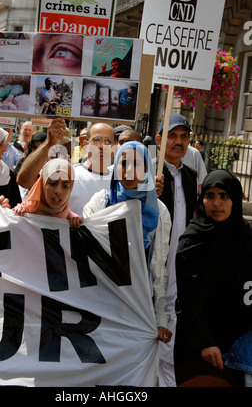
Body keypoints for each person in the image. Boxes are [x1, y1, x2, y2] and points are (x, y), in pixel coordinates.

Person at [83, 141, 172, 342]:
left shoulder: (159, 211)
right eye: (124, 163)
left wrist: (160, 318)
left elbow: (158, 267)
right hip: (102, 302)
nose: (129, 170)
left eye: (137, 164)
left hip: (139, 306)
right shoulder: (100, 202)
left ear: (147, 168)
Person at [174, 169, 252, 387]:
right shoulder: (191, 243)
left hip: (241, 347)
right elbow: (187, 302)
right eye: (210, 196)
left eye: (224, 196)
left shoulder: (246, 237)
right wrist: (205, 342)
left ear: (235, 199)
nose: (217, 203)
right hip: (203, 349)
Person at [154, 113, 198, 387]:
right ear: (159, 140)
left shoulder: (192, 176)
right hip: (154, 264)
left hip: (181, 265)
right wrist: (148, 191)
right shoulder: (148, 175)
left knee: (170, 325)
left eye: (183, 137)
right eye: (172, 136)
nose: (178, 142)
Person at [17, 121, 115, 217]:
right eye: (97, 140)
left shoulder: (120, 182)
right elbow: (24, 181)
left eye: (108, 141)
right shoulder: (68, 174)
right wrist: (48, 144)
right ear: (85, 144)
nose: (102, 146)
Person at [12, 158, 83, 228]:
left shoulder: (73, 221)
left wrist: (76, 226)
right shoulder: (23, 212)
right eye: (52, 183)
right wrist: (16, 215)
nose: (58, 191)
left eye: (65, 186)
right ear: (43, 184)